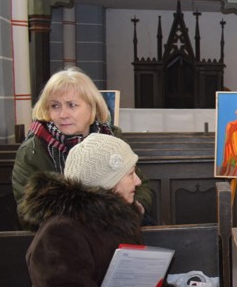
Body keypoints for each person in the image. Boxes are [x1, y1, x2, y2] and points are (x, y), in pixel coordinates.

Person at [12, 67, 152, 223]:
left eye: (72, 105)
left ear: (92, 106)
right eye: (55, 106)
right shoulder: (33, 150)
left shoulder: (111, 138)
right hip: (61, 237)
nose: (63, 114)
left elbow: (140, 184)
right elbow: (27, 211)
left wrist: (135, 208)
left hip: (115, 227)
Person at [20, 133, 143, 287]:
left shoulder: (114, 219)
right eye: (130, 174)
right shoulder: (60, 234)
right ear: (107, 182)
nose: (138, 181)